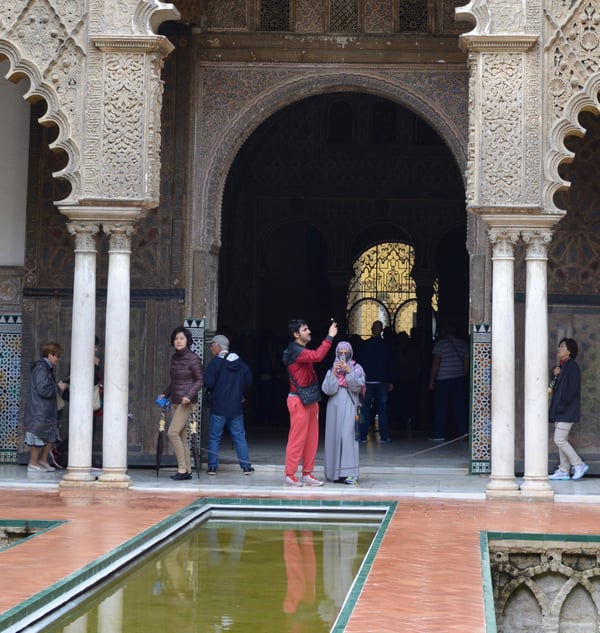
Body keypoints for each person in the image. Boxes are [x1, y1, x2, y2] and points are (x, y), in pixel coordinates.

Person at [282, 318, 337, 487]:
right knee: (297, 439)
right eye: (305, 329)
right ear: (296, 334)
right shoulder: (295, 351)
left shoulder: (300, 350)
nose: (309, 331)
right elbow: (318, 356)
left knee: (312, 439)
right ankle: (290, 474)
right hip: (298, 400)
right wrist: (330, 337)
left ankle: (307, 473)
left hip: (310, 399)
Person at [204, 334, 254, 475]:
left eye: (212, 345)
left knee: (215, 437)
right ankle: (246, 467)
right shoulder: (239, 362)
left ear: (218, 346)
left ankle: (212, 467)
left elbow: (208, 383)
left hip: (219, 406)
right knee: (239, 436)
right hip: (235, 407)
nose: (210, 347)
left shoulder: (214, 363)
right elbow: (249, 380)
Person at [160, 326, 204, 481]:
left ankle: (182, 468)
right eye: (176, 338)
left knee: (172, 433)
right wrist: (165, 393)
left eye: (181, 338)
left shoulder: (193, 358)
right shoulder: (175, 358)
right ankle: (188, 471)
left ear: (187, 340)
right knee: (181, 436)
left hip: (186, 402)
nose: (178, 341)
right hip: (175, 400)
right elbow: (175, 381)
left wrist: (188, 395)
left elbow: (200, 381)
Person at [322, 341, 365, 485]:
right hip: (334, 405)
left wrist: (348, 371)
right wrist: (334, 372)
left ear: (351, 353)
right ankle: (334, 474)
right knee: (333, 437)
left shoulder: (357, 368)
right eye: (340, 352)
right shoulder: (332, 368)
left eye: (346, 352)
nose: (343, 355)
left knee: (348, 437)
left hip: (350, 403)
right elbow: (328, 389)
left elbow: (357, 386)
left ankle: (350, 473)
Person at [23, 341, 69, 472]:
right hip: (39, 410)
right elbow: (43, 390)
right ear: (50, 355)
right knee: (37, 435)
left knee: (50, 435)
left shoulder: (47, 368)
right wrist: (58, 387)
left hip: (47, 409)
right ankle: (33, 462)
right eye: (57, 356)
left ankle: (42, 460)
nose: (58, 359)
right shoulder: (41, 368)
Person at [548, 337, 588, 480]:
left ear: (569, 351)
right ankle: (564, 470)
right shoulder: (562, 367)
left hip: (567, 411)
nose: (559, 349)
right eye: (559, 346)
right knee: (561, 439)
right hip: (560, 411)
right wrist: (555, 375)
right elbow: (554, 388)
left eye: (562, 347)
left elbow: (571, 390)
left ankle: (578, 464)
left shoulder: (572, 367)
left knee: (559, 439)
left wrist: (563, 404)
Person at [354, 320, 394, 444]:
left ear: (371, 329)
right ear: (381, 331)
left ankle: (362, 436)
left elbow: (358, 363)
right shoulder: (386, 346)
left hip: (366, 382)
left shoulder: (364, 346)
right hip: (381, 382)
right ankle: (384, 436)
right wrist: (390, 381)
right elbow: (390, 365)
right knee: (382, 410)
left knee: (364, 409)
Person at [428, 323, 469, 441]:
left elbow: (436, 363)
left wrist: (431, 379)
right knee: (459, 406)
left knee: (441, 407)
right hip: (458, 378)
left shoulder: (441, 344)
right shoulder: (463, 344)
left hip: (443, 380)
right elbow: (466, 363)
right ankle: (463, 432)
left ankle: (439, 434)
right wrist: (462, 375)